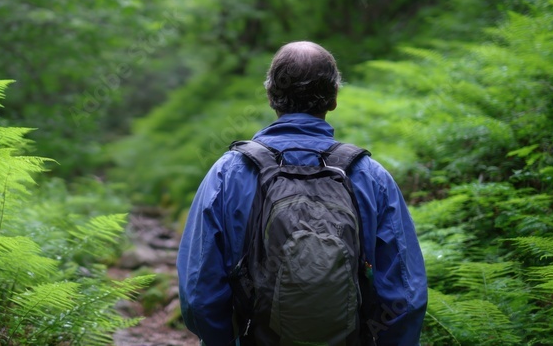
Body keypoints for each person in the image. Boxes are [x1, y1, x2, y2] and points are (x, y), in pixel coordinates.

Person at [177, 41, 427, 346]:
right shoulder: (371, 177)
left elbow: (199, 293)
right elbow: (405, 295)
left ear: (271, 96)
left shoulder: (228, 173)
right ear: (333, 98)